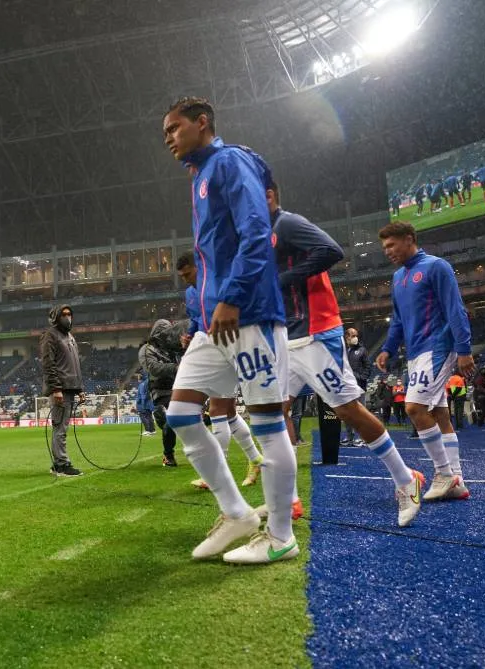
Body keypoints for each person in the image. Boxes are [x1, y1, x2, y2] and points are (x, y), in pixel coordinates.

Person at [161, 96, 297, 564]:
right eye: (165, 133)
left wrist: (233, 296)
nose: (168, 138)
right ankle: (237, 513)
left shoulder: (230, 161)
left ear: (202, 123)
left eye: (174, 128)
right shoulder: (200, 175)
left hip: (248, 313)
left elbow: (256, 231)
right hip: (212, 323)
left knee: (268, 423)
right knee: (181, 415)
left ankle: (281, 536)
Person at [269, 185, 422, 527]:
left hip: (315, 332)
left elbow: (331, 250)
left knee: (347, 410)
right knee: (274, 412)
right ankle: (288, 499)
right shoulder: (262, 235)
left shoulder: (287, 223)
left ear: (267, 195)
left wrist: (283, 280)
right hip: (287, 335)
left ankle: (405, 480)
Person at [376, 221, 475, 502]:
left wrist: (464, 349)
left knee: (414, 407)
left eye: (391, 245)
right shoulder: (398, 278)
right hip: (415, 353)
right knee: (440, 413)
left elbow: (455, 309)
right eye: (384, 247)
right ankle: (457, 481)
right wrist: (388, 348)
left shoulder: (436, 266)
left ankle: (444, 473)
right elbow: (397, 320)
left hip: (438, 347)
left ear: (409, 239)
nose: (387, 251)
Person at [177, 251, 265, 489]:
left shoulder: (219, 283)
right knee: (228, 413)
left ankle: (216, 472)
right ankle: (255, 458)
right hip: (208, 347)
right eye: (182, 276)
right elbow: (197, 318)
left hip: (230, 346)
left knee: (217, 410)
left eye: (188, 274)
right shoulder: (191, 293)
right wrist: (189, 335)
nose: (186, 280)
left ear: (199, 267)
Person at [40, 304, 84, 477]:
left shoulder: (70, 336)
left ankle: (59, 463)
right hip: (60, 389)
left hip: (71, 388)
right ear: (56, 317)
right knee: (60, 429)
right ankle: (61, 465)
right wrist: (56, 388)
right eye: (64, 314)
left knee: (63, 428)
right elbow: (48, 363)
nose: (68, 317)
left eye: (69, 314)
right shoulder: (50, 335)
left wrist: (80, 389)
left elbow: (75, 365)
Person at [138, 319, 183, 467]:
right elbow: (153, 368)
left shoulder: (174, 347)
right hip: (161, 391)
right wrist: (175, 367)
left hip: (179, 387)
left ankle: (171, 452)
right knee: (171, 421)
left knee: (193, 417)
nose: (169, 336)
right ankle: (168, 455)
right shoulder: (146, 349)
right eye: (167, 334)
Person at [343, 327, 373, 446]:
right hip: (347, 387)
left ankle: (364, 438)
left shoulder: (362, 350)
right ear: (347, 337)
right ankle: (349, 438)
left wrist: (361, 377)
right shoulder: (344, 351)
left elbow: (368, 367)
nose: (355, 338)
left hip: (359, 387)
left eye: (356, 335)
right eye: (352, 335)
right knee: (348, 414)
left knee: (361, 413)